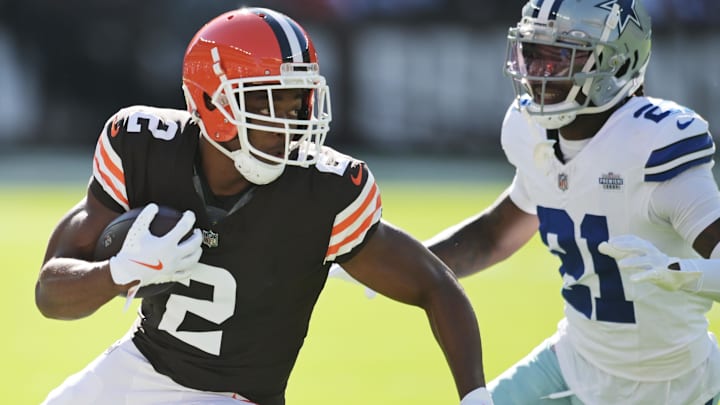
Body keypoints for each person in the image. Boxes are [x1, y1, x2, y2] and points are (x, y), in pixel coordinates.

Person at [34, 7, 493, 405]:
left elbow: (435, 286)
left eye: (297, 103)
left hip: (237, 396)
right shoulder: (143, 148)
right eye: (270, 102)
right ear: (212, 102)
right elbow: (49, 294)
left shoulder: (323, 191)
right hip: (140, 367)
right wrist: (119, 270)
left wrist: (475, 396)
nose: (290, 123)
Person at [422, 0, 720, 404]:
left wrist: (682, 272)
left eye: (558, 58)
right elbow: (495, 235)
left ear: (616, 62)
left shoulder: (652, 145)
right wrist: (396, 259)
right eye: (532, 54)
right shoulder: (531, 131)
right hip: (574, 364)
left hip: (675, 383)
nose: (536, 74)